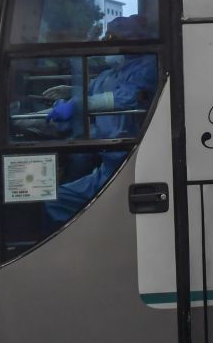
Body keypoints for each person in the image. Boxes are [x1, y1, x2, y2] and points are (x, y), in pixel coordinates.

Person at [43, 15, 158, 226]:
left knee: (57, 200)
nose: (106, 42)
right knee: (57, 196)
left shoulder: (147, 67)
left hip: (128, 161)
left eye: (112, 37)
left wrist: (74, 105)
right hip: (107, 162)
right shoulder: (111, 73)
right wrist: (70, 93)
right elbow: (92, 91)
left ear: (130, 41)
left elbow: (126, 98)